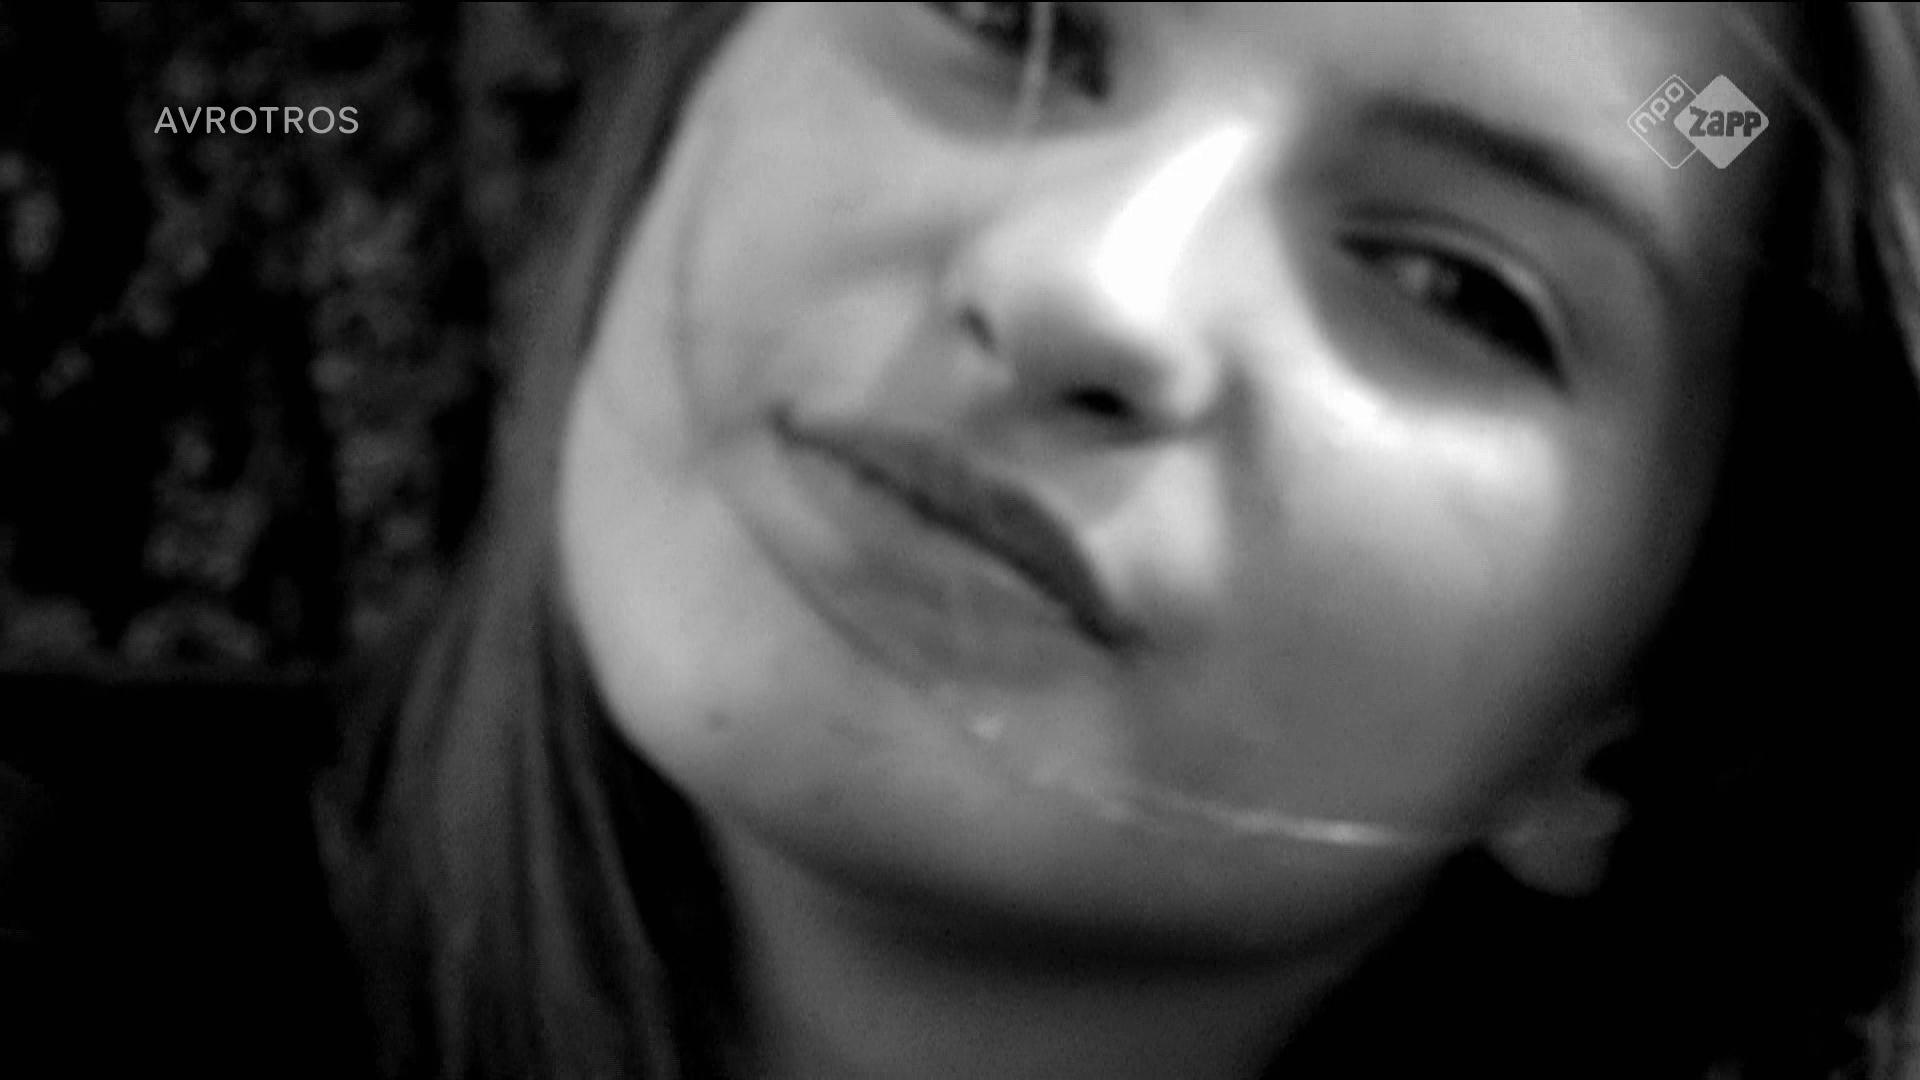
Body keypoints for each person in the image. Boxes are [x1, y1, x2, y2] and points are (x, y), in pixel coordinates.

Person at [315, 4, 1920, 1078]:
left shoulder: (1704, 117)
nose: (1081, 287)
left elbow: (1701, 129)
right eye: (1012, 19)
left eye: (1454, 287)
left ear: (1640, 714)